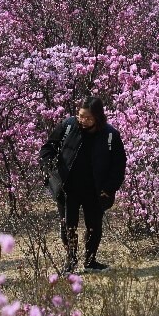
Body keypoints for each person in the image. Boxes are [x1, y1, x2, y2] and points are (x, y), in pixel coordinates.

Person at [40, 96, 127, 273]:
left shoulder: (110, 135)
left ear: (98, 117)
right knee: (68, 225)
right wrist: (47, 164)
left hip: (96, 190)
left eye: (88, 118)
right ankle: (71, 261)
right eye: (80, 116)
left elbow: (119, 165)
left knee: (94, 226)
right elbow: (48, 147)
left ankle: (90, 261)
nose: (83, 121)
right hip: (68, 188)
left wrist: (109, 188)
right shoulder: (68, 126)